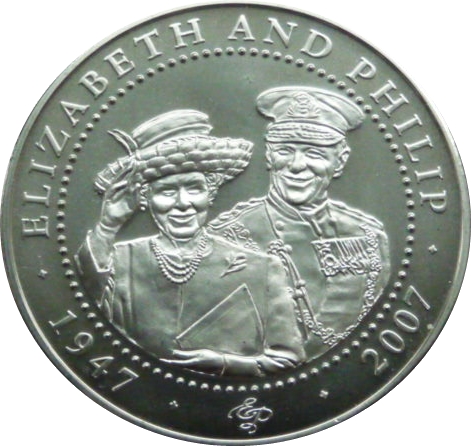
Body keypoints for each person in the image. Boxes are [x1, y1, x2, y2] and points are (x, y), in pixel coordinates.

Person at [75, 109, 305, 376]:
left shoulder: (262, 269)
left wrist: (225, 364)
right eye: (167, 191)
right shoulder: (121, 261)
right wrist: (108, 226)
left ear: (211, 192)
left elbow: (289, 359)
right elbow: (84, 305)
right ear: (145, 198)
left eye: (194, 188)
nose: (183, 203)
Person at [209, 87, 390, 360]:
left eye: (314, 154)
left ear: (340, 162)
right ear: (269, 156)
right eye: (285, 151)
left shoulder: (368, 235)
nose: (296, 165)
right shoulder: (227, 235)